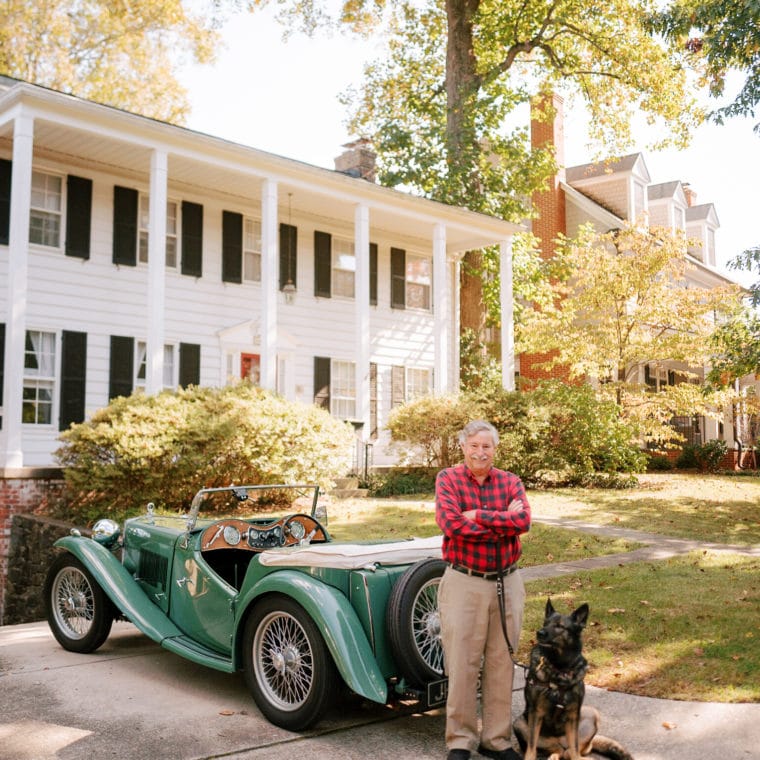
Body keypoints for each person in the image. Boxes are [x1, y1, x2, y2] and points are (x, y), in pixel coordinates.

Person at [435, 419, 531, 760]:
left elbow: (523, 522)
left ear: (495, 449)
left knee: (502, 661)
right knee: (463, 663)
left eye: (486, 446)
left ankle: (496, 740)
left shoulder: (510, 481)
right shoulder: (448, 479)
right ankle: (460, 740)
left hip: (508, 581)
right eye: (474, 446)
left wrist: (477, 515)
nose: (480, 452)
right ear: (463, 447)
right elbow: (451, 524)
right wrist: (501, 520)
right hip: (465, 581)